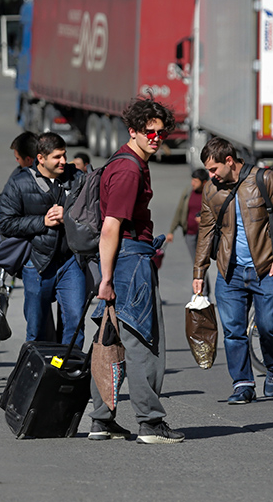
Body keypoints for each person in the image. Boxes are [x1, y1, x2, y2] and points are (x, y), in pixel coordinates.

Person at [89, 97, 184, 444]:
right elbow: (111, 226)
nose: (156, 138)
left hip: (123, 261)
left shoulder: (126, 161)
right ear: (133, 130)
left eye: (162, 133)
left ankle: (101, 420)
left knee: (108, 341)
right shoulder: (129, 169)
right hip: (129, 262)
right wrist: (107, 279)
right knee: (144, 343)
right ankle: (150, 423)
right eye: (149, 132)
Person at [194, 137, 273, 404]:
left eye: (214, 169)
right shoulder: (211, 190)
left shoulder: (264, 180)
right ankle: (242, 384)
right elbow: (206, 231)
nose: (210, 175)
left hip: (266, 268)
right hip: (229, 272)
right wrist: (199, 272)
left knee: (269, 326)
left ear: (229, 161)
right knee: (233, 330)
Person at [0, 132, 85, 346]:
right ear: (41, 158)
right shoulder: (19, 183)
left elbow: (93, 213)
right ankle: (37, 373)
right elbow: (6, 224)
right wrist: (42, 222)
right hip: (36, 263)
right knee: (36, 329)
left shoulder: (78, 179)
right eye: (57, 157)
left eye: (64, 155)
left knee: (75, 321)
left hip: (70, 262)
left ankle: (66, 370)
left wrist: (68, 216)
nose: (63, 161)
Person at [167, 168, 209, 262]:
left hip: (204, 235)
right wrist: (171, 231)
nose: (192, 183)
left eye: (195, 181)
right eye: (192, 180)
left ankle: (202, 277)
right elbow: (180, 210)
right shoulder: (188, 192)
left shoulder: (209, 195)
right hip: (189, 233)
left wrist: (205, 219)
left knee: (201, 262)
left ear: (204, 182)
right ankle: (200, 277)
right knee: (195, 261)